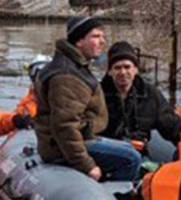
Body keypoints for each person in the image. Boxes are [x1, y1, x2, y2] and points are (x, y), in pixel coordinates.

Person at [34, 13, 144, 182]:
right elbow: (64, 127)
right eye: (96, 36)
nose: (102, 42)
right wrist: (87, 165)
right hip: (59, 148)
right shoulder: (66, 75)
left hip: (82, 137)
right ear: (79, 41)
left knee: (129, 148)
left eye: (103, 37)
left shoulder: (74, 66)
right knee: (131, 158)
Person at [102, 40, 181, 151]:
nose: (123, 72)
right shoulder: (98, 94)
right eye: (117, 68)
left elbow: (172, 126)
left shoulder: (149, 94)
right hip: (108, 155)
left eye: (127, 67)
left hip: (140, 156)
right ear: (109, 71)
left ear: (136, 70)